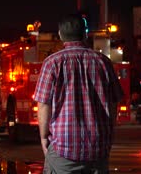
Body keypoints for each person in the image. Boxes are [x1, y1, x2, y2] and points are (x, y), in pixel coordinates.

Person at [33, 13, 123, 174]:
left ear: (60, 35)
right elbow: (114, 102)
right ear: (85, 34)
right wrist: (108, 133)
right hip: (98, 148)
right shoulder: (103, 62)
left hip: (63, 149)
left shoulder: (52, 63)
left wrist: (43, 137)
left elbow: (43, 104)